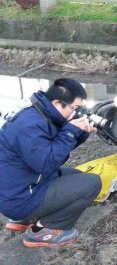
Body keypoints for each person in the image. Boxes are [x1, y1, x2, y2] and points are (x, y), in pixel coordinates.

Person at [0, 78, 101, 247]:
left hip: (22, 186)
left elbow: (56, 152)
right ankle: (44, 230)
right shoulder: (29, 126)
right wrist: (70, 132)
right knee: (91, 183)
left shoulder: (39, 113)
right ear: (57, 102)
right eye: (74, 108)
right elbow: (47, 163)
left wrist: (80, 132)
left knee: (78, 176)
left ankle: (24, 219)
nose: (75, 113)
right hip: (19, 198)